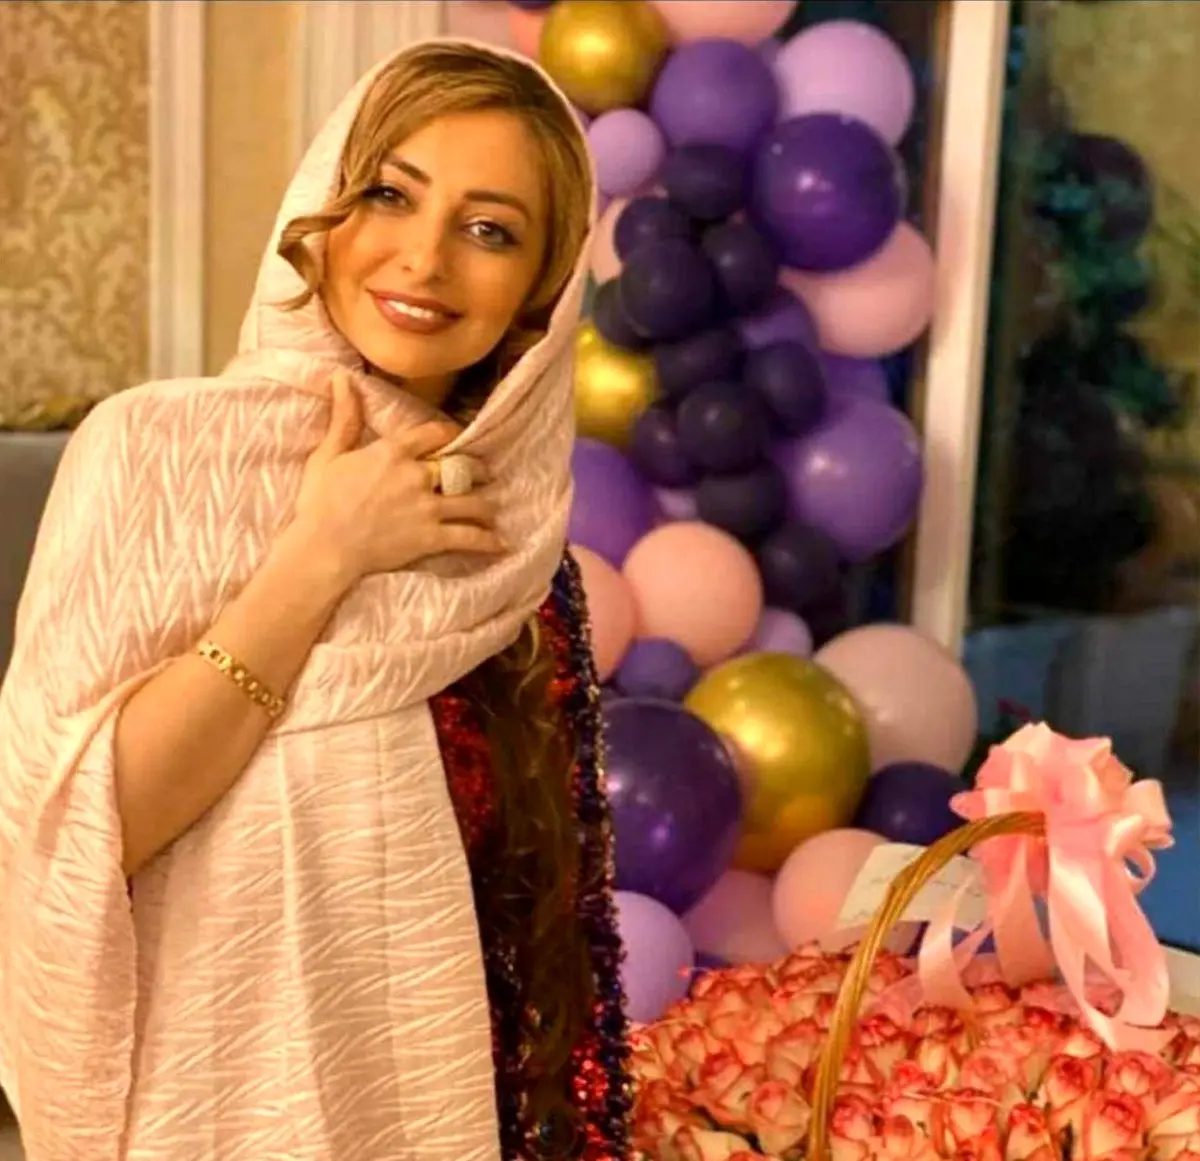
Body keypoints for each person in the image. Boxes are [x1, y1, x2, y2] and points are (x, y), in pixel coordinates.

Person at [0, 39, 631, 1161]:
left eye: (490, 230)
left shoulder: (517, 544)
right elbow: (82, 824)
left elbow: (555, 925)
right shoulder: (151, 454)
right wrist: (321, 554)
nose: (424, 258)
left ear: (541, 289)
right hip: (221, 1115)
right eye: (389, 194)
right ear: (323, 207)